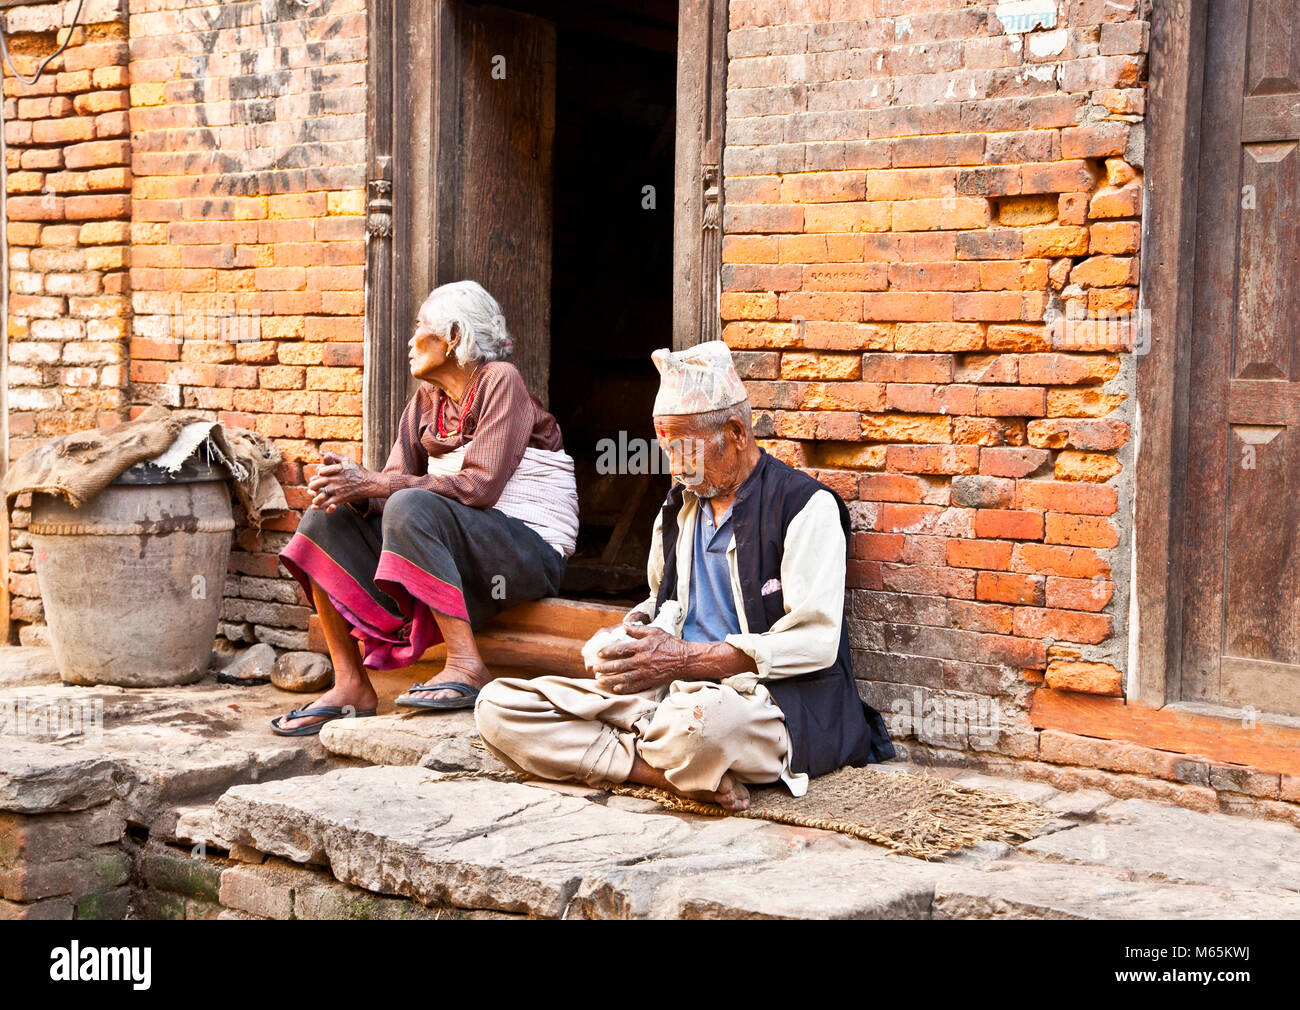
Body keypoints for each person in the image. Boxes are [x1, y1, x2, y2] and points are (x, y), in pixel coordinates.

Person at [475, 341, 894, 810]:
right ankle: (658, 773)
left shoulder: (805, 507)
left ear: (735, 432)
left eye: (686, 450)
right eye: (666, 451)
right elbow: (659, 603)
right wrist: (626, 639)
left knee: (701, 725)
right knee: (497, 707)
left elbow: (816, 642)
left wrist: (684, 661)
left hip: (756, 704)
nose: (675, 467)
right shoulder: (677, 507)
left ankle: (633, 752)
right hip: (666, 697)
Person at [271, 280, 579, 734]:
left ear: (453, 337)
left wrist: (379, 483)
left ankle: (467, 664)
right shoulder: (424, 403)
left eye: (421, 328)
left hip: (528, 553)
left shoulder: (500, 380)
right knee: (327, 515)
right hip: (466, 549)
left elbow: (480, 487)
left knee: (413, 504)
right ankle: (351, 683)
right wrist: (352, 489)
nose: (411, 341)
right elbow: (389, 490)